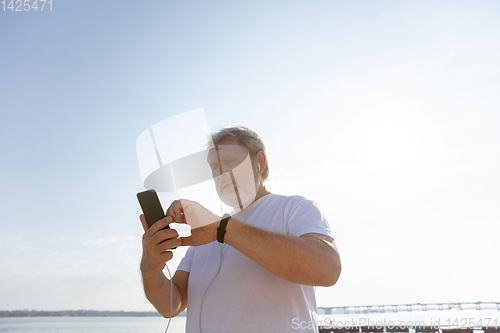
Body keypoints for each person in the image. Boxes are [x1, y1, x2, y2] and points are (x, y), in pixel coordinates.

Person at [139, 126, 341, 333]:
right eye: (214, 167)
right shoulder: (206, 230)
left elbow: (328, 269)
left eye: (229, 162)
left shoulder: (295, 208)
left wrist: (223, 228)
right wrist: (150, 267)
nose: (220, 173)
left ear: (259, 162)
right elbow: (171, 305)